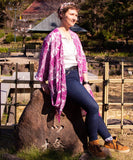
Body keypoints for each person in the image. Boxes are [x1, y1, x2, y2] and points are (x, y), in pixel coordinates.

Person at [35, 2, 130, 159]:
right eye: (72, 14)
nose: (75, 18)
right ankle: (93, 144)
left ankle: (108, 139)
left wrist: (86, 83)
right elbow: (44, 59)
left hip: (77, 77)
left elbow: (82, 60)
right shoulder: (53, 37)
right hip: (63, 78)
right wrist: (42, 82)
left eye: (76, 15)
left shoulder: (74, 36)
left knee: (92, 108)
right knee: (93, 107)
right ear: (61, 15)